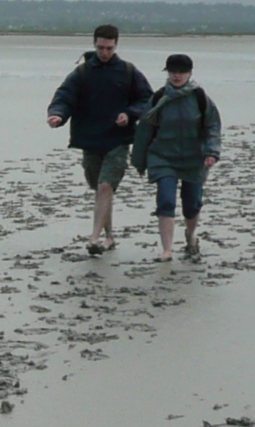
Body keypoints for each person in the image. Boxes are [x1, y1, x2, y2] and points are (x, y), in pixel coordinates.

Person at [46, 23, 154, 253]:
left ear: (116, 46)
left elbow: (147, 99)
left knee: (106, 187)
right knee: (100, 191)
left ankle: (94, 240)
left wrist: (130, 113)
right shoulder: (82, 73)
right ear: (94, 44)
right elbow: (65, 97)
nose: (105, 52)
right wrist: (57, 115)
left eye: (109, 48)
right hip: (90, 140)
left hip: (118, 140)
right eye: (101, 47)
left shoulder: (128, 71)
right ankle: (110, 237)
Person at [131, 53, 222, 262]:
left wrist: (212, 153)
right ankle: (167, 250)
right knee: (165, 200)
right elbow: (144, 130)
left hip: (194, 158)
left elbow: (213, 127)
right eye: (173, 71)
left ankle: (191, 237)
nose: (177, 76)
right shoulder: (158, 98)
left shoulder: (200, 98)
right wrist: (138, 160)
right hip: (163, 157)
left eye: (181, 72)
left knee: (192, 204)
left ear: (189, 73)